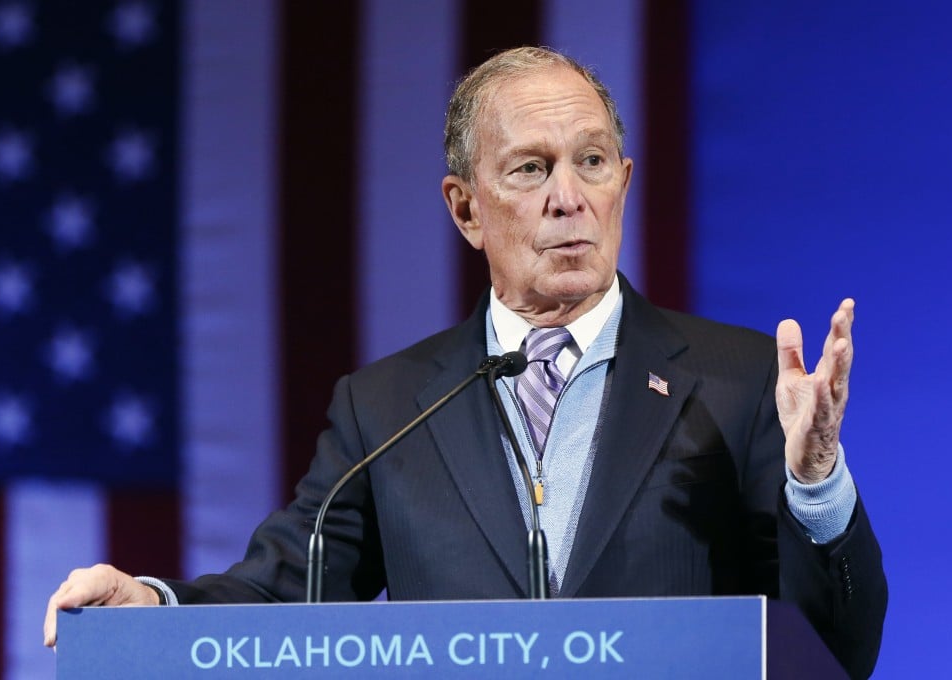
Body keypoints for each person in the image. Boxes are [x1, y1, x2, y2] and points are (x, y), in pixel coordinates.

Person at [45, 46, 887, 678]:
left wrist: (815, 485)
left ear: (623, 183)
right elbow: (283, 591)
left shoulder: (736, 383)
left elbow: (837, 647)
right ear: (466, 209)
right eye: (531, 168)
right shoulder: (388, 408)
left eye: (592, 162)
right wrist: (148, 607)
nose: (569, 197)